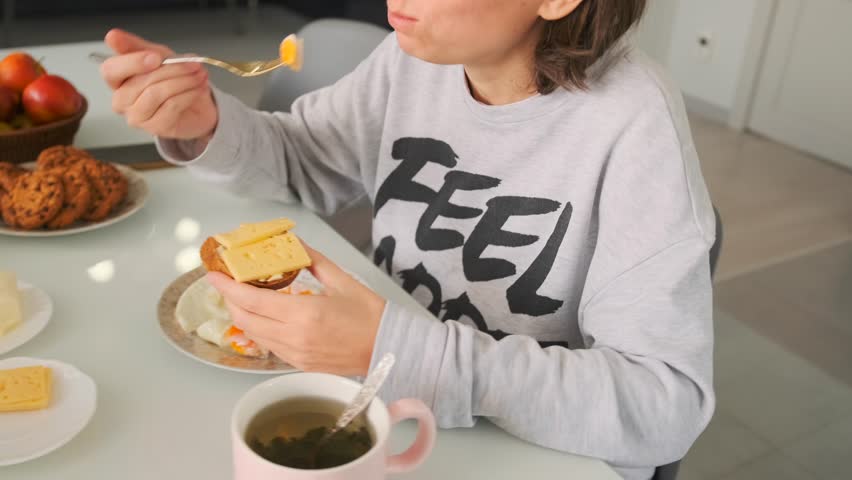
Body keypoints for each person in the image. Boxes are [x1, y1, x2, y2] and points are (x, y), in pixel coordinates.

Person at [100, 1, 716, 478]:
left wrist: (399, 351)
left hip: (529, 447)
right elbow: (300, 160)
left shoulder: (633, 125)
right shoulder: (411, 61)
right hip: (389, 409)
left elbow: (663, 405)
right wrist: (203, 123)